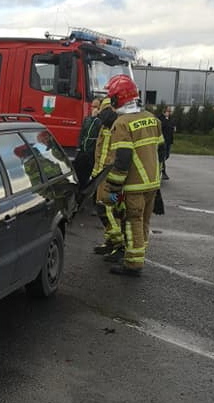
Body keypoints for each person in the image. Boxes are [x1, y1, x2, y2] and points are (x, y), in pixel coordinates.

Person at [103, 75, 165, 277]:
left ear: (118, 99)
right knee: (144, 221)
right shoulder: (153, 119)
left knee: (132, 221)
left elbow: (122, 158)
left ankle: (133, 264)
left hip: (133, 185)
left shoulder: (122, 123)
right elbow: (161, 152)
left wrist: (113, 186)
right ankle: (138, 254)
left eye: (111, 97)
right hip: (152, 183)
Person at [91, 97, 125, 258]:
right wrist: (95, 173)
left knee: (110, 209)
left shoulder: (119, 127)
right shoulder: (104, 126)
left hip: (112, 176)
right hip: (101, 175)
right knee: (102, 209)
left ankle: (120, 245)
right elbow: (99, 152)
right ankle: (110, 241)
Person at [73, 98, 101, 190]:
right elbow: (82, 133)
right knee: (78, 171)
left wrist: (95, 117)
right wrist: (78, 147)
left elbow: (98, 129)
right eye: (92, 106)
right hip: (83, 151)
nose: (93, 108)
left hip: (92, 152)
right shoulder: (87, 119)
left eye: (96, 106)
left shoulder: (100, 121)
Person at [158, 106, 174, 180]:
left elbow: (171, 126)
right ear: (164, 112)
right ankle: (163, 172)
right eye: (168, 111)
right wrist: (166, 119)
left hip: (168, 141)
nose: (170, 113)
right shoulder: (160, 119)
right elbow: (162, 126)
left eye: (170, 111)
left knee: (167, 156)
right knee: (163, 156)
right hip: (163, 141)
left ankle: (162, 170)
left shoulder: (170, 119)